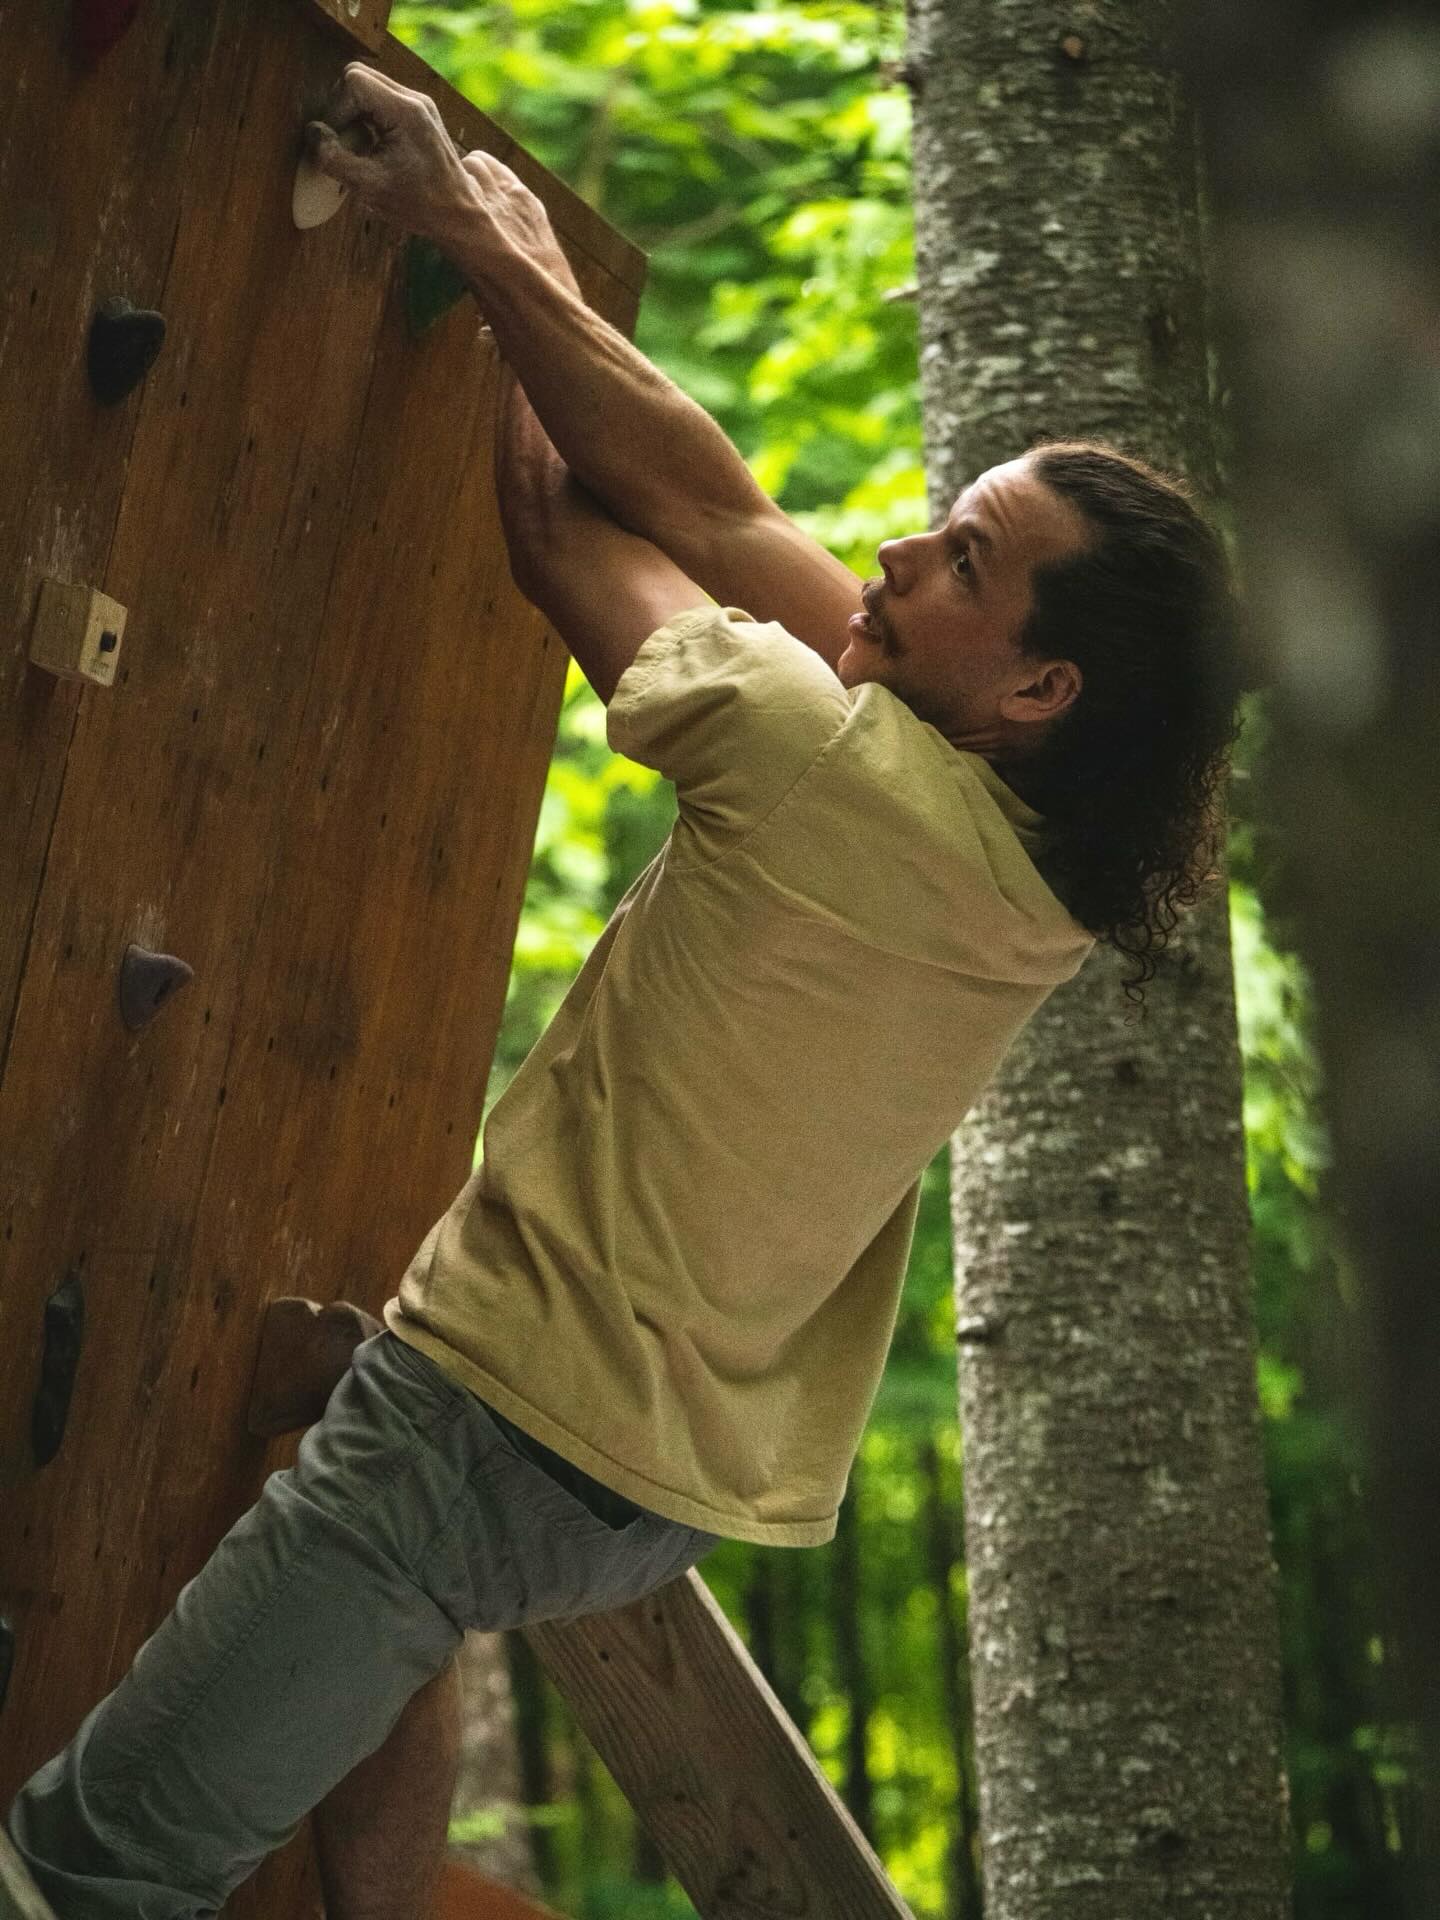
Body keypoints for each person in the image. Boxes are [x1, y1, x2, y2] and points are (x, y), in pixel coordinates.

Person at [5, 61, 1243, 1920]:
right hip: (651, 1490)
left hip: (485, 1432)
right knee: (400, 1618)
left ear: (1039, 684)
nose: (900, 548)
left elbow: (574, 526)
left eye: (959, 559)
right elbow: (728, 511)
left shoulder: (819, 761)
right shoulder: (1027, 860)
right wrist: (522, 272)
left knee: (83, 1870)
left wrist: (489, 262)